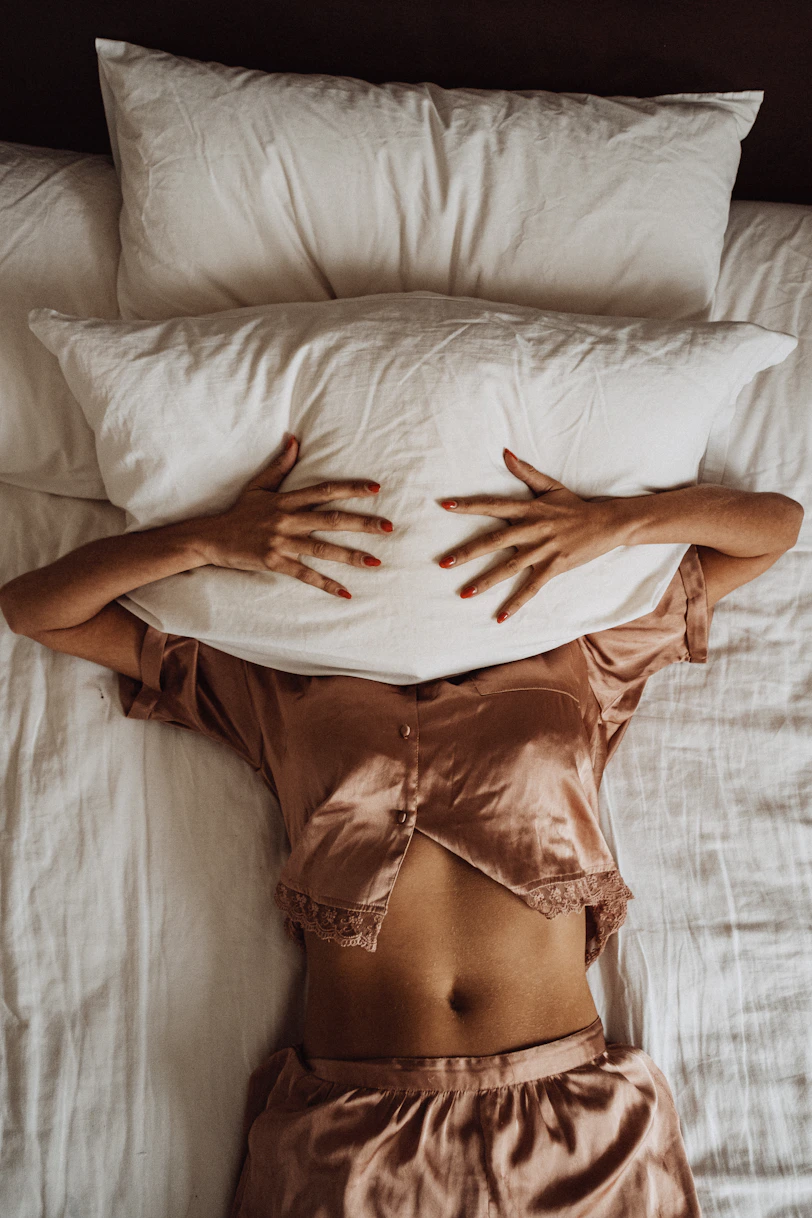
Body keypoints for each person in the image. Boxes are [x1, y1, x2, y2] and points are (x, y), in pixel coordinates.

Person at [0, 438, 802, 1217]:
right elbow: (37, 609)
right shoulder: (275, 681)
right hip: (355, 1141)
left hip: (573, 1133)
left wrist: (615, 523)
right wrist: (210, 538)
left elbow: (776, 526)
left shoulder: (581, 660)